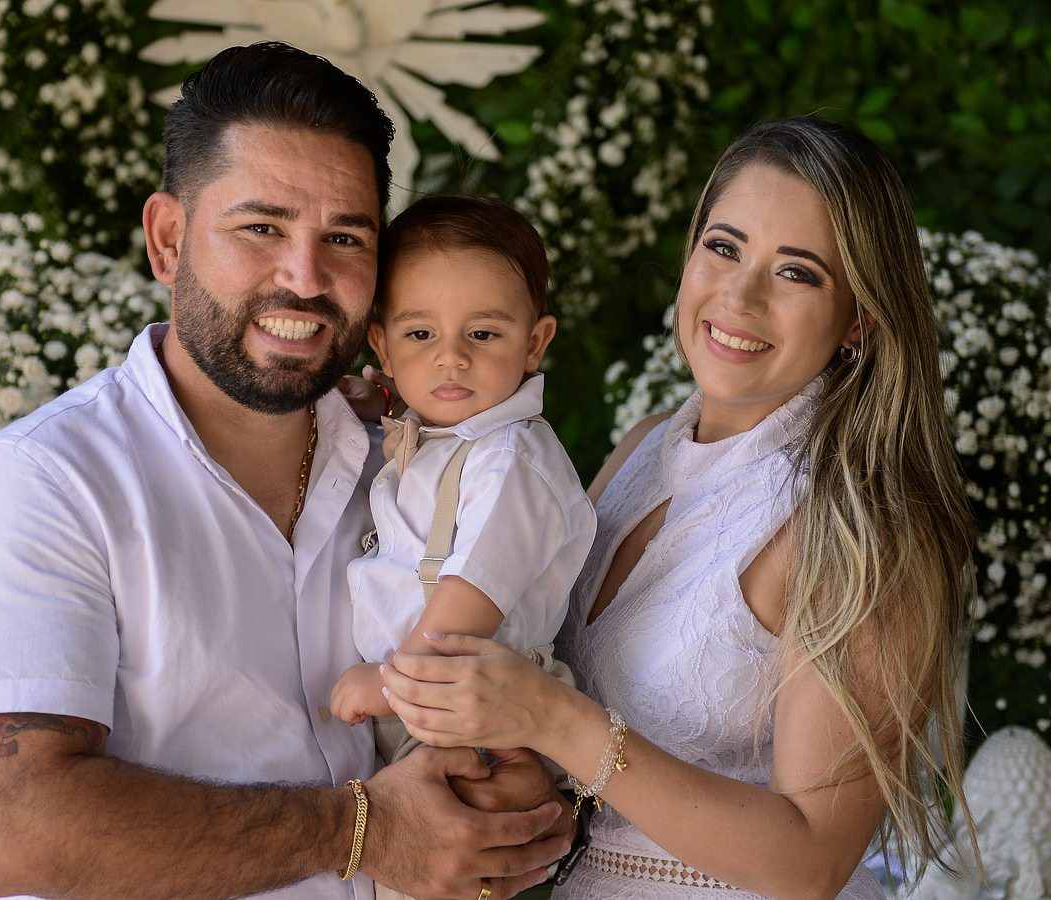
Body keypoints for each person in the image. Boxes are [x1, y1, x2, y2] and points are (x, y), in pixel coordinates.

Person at [0, 42, 572, 900]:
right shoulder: (43, 485)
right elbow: (21, 831)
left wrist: (521, 803)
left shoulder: (407, 455)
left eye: (344, 237)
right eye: (260, 228)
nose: (304, 278)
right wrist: (364, 831)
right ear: (168, 240)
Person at [380, 116, 977, 898]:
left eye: (795, 273)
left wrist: (554, 720)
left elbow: (812, 863)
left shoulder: (861, 527)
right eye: (723, 248)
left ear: (858, 319)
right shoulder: (643, 449)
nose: (739, 294)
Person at [329, 195, 596, 764]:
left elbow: (473, 592)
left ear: (534, 344)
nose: (451, 358)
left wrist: (392, 682)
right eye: (420, 335)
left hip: (475, 713)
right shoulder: (446, 435)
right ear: (383, 347)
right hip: (425, 698)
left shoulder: (513, 462)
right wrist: (389, 401)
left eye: (483, 335)